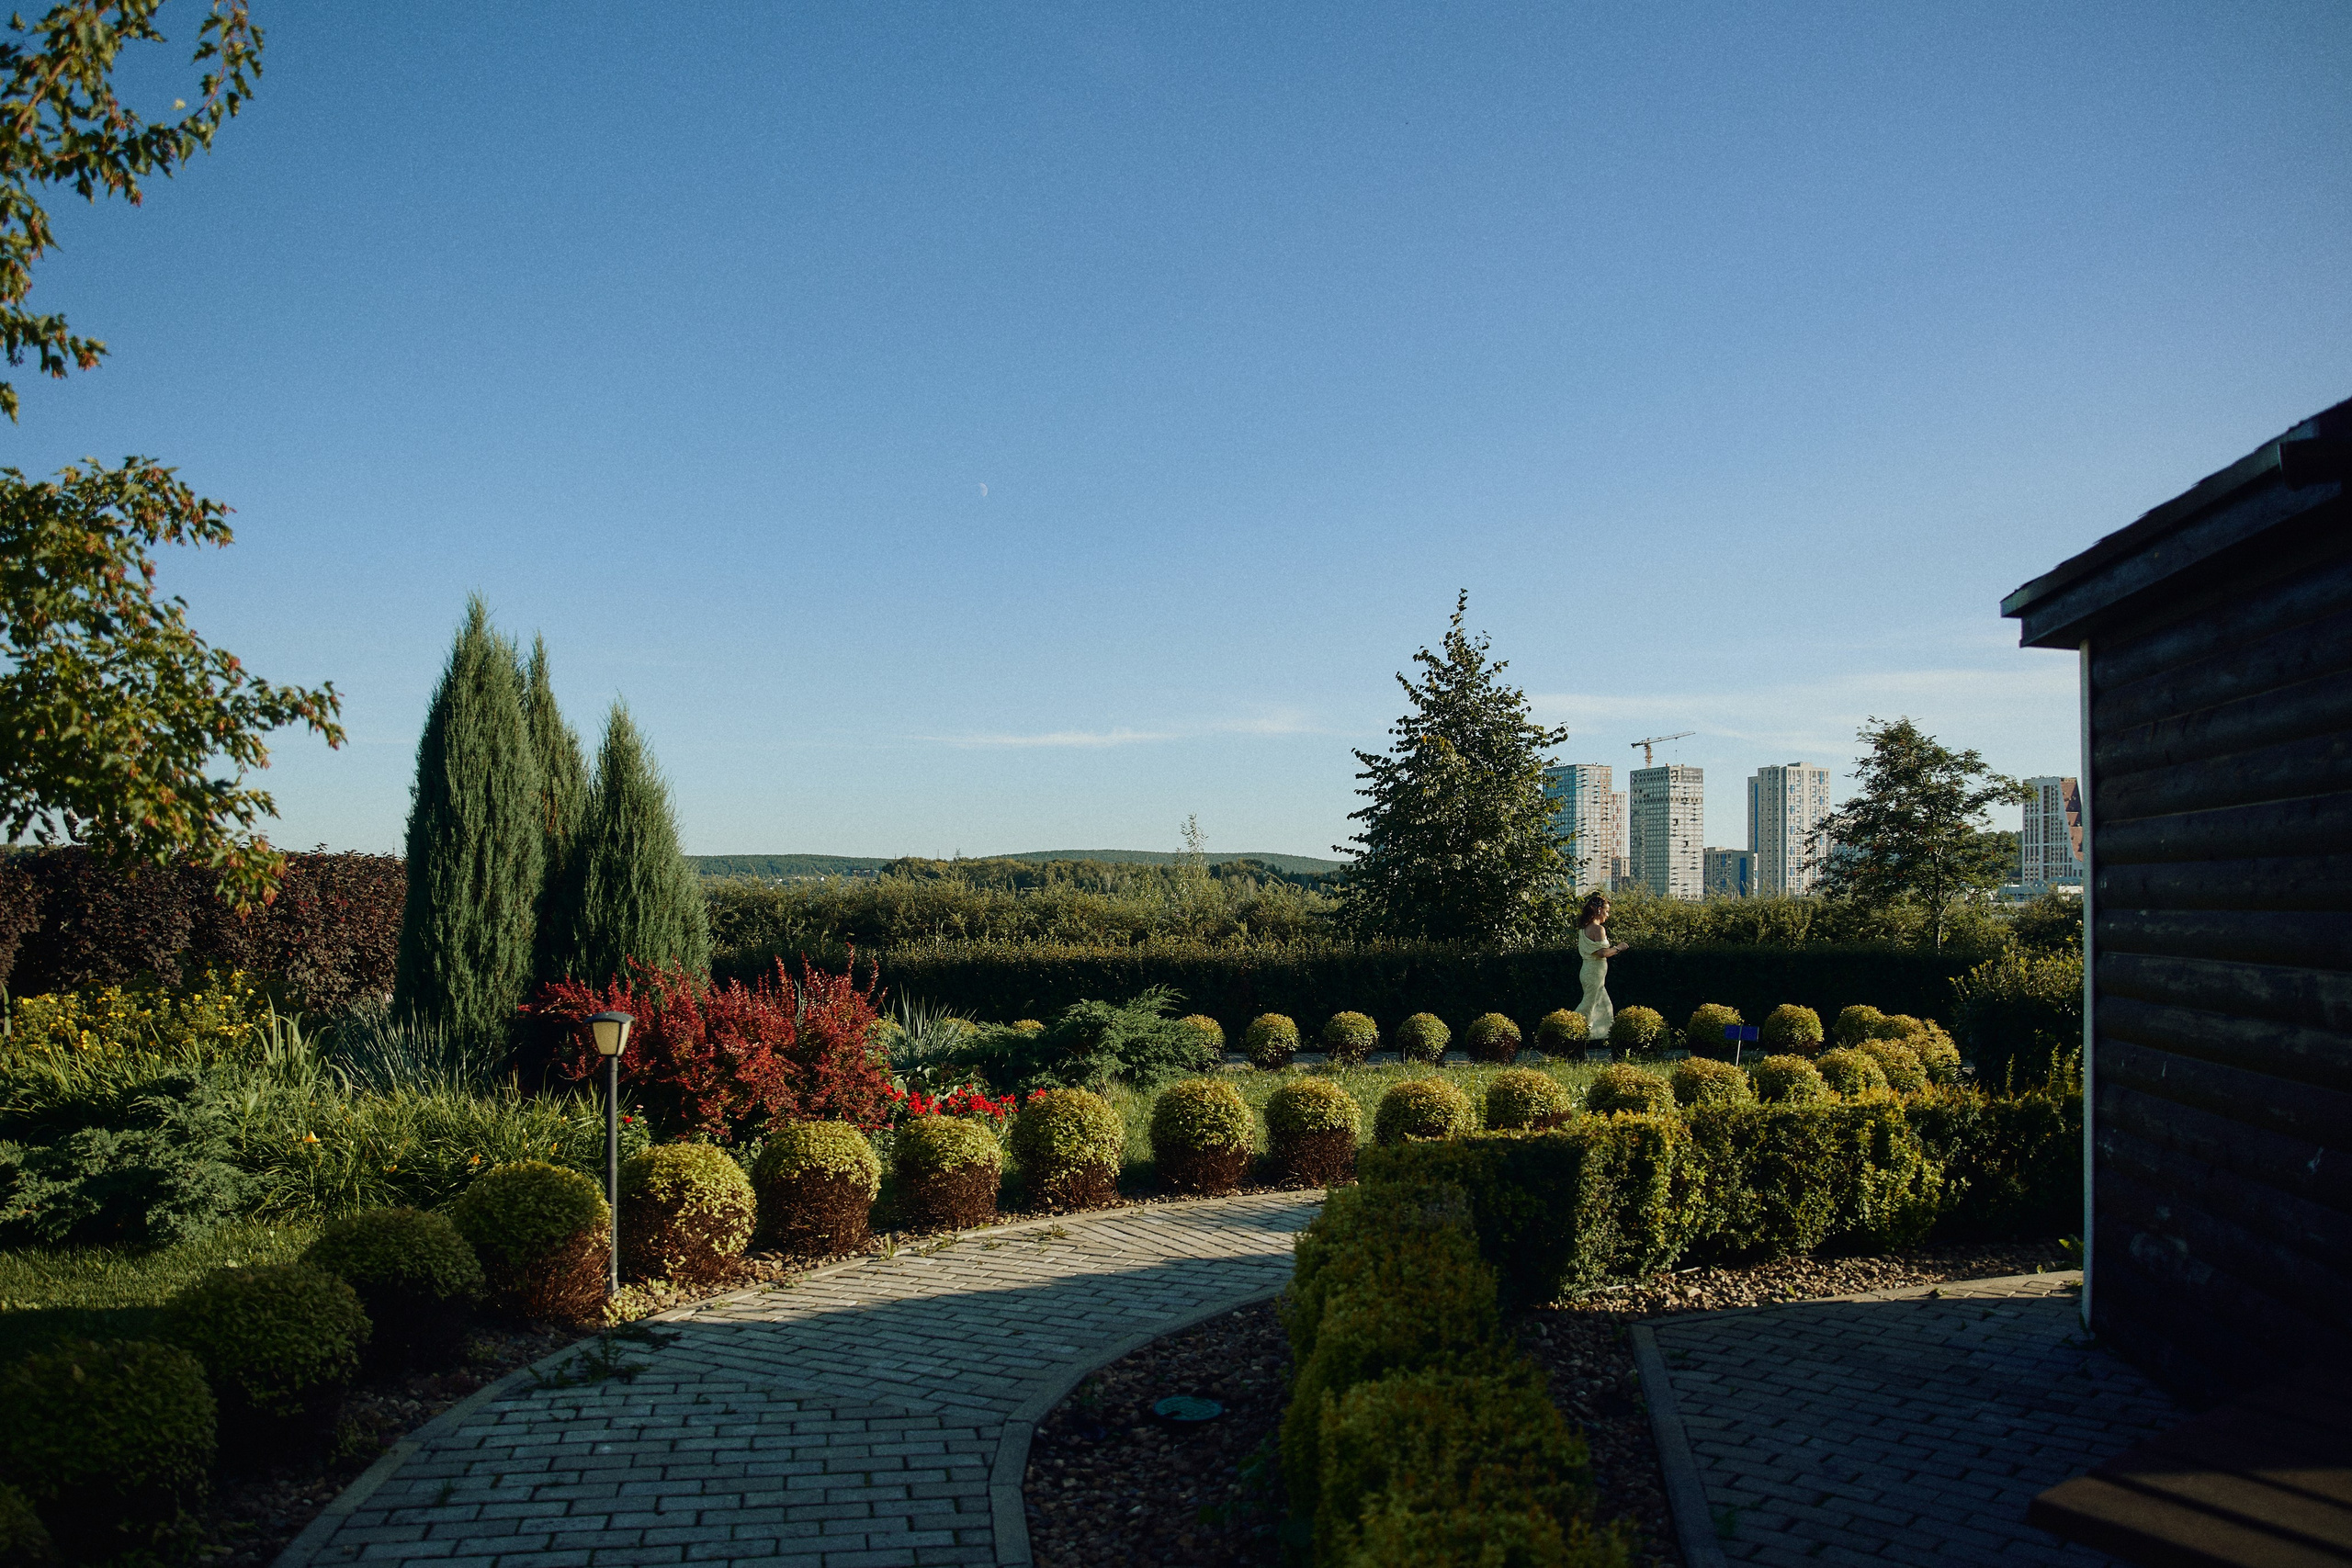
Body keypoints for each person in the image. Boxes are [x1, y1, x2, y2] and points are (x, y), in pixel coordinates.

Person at [1576, 892, 1629, 1042]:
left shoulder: (1584, 928)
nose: (1608, 915)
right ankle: (1568, 1031)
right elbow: (1602, 953)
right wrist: (1619, 948)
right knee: (1588, 1005)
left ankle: (1600, 1037)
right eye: (1606, 911)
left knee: (1605, 1007)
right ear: (1598, 910)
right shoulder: (1598, 929)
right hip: (1593, 973)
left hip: (1589, 972)